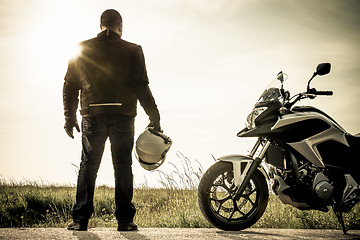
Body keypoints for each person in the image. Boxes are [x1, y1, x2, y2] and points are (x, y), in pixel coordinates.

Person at [63, 9, 161, 231]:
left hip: (91, 115)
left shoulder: (81, 49)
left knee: (88, 167)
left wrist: (69, 118)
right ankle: (125, 221)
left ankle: (80, 221)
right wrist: (154, 116)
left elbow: (69, 86)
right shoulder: (134, 50)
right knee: (123, 167)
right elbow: (141, 87)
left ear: (101, 26)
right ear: (120, 27)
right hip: (123, 116)